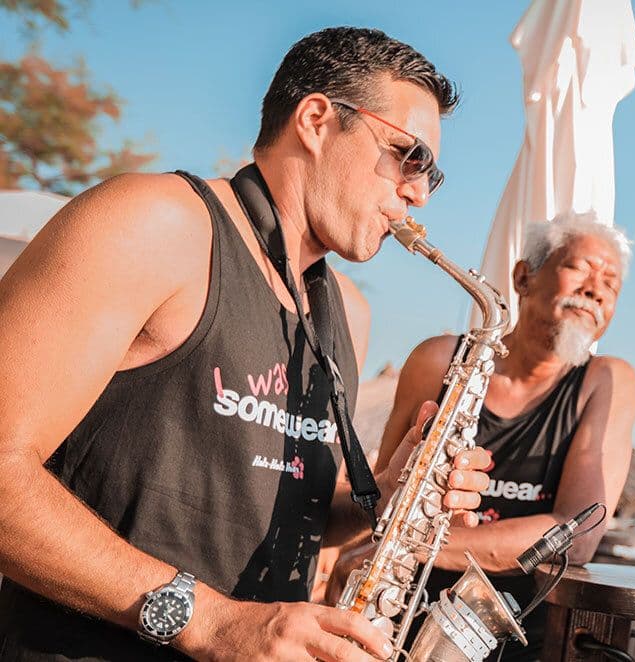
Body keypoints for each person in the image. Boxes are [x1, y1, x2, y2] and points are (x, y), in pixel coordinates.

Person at [0, 27, 494, 661]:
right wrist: (211, 623)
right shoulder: (155, 223)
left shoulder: (346, 311)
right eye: (408, 155)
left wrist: (391, 496)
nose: (418, 190)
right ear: (316, 121)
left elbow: (281, 508)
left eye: (433, 172)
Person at [327, 214, 635, 660]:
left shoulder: (608, 381)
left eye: (612, 284)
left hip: (521, 641)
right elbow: (382, 498)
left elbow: (577, 533)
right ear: (523, 276)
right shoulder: (437, 360)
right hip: (396, 619)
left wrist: (415, 543)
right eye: (581, 268)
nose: (597, 289)